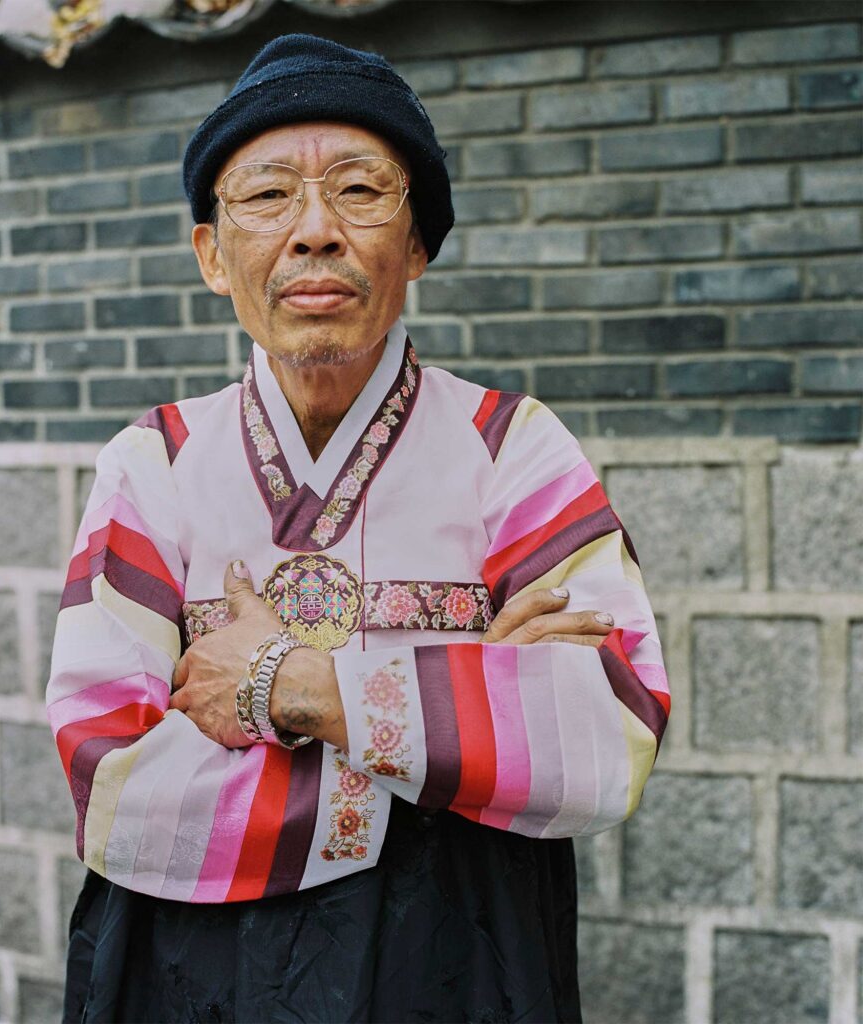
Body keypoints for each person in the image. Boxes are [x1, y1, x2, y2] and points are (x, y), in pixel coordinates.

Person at [49, 33, 669, 1024]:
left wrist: (286, 685)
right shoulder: (152, 462)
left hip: (463, 962)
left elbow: (604, 735)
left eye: (359, 191)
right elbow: (113, 779)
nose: (313, 232)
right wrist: (466, 712)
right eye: (264, 198)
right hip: (193, 970)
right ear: (212, 252)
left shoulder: (513, 447)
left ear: (417, 243)